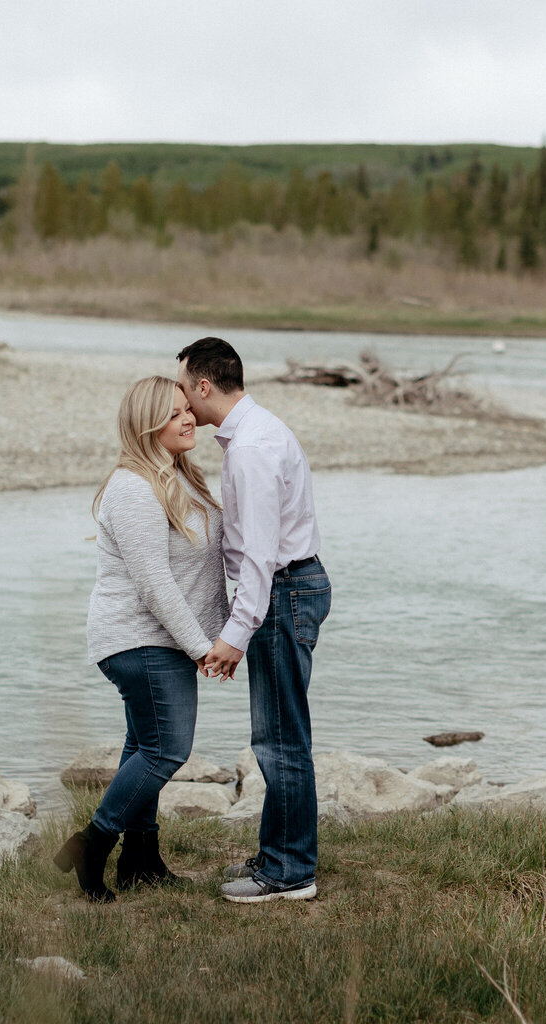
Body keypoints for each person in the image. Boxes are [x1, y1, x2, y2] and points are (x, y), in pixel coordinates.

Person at [54, 375, 227, 902]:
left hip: (162, 640)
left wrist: (226, 632)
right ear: (147, 424)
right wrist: (202, 647)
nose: (188, 417)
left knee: (142, 746)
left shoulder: (184, 477)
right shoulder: (133, 487)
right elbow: (154, 583)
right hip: (139, 640)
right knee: (167, 750)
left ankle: (141, 860)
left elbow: (206, 572)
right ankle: (94, 843)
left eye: (187, 409)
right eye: (174, 413)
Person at [177, 336, 330, 904]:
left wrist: (234, 636)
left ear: (204, 385)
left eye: (183, 387)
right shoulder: (255, 432)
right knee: (280, 733)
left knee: (281, 739)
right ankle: (282, 853)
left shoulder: (250, 449)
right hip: (289, 588)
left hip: (284, 592)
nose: (181, 401)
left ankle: (290, 872)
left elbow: (261, 556)